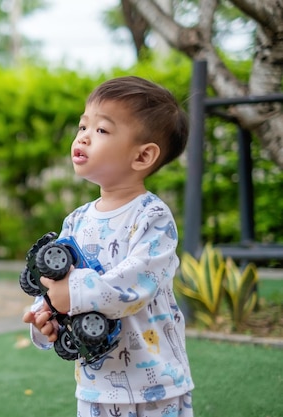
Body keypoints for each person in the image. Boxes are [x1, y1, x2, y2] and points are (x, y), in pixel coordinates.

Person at [22, 76, 194, 417]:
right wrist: (47, 319)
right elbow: (60, 289)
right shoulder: (75, 221)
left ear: (143, 155)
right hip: (96, 384)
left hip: (157, 384)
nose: (83, 136)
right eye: (82, 125)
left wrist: (70, 292)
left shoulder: (152, 216)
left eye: (101, 130)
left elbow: (136, 285)